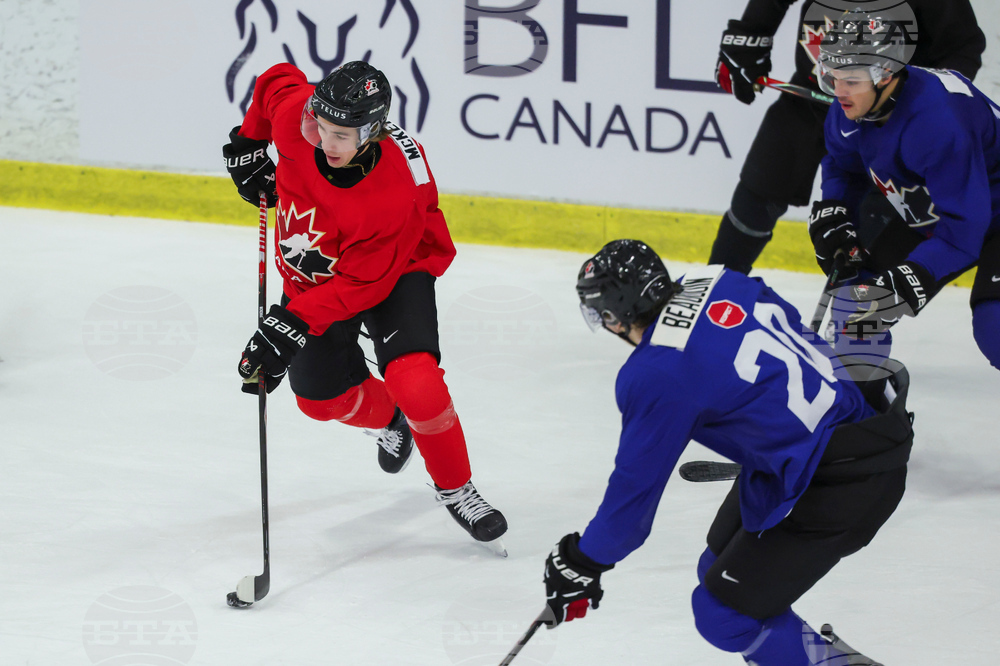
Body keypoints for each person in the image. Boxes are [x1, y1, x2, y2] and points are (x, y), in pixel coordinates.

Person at [541, 240, 914, 665]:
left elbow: (631, 503)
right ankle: (813, 656)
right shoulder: (718, 279)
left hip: (843, 478)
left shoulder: (655, 374)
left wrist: (583, 560)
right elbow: (790, 338)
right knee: (716, 569)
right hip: (854, 424)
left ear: (612, 316)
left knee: (722, 616)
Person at [223, 60, 508, 553]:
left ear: (372, 132)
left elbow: (364, 282)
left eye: (340, 135)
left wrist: (289, 323)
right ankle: (394, 420)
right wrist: (249, 143)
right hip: (318, 271)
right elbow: (276, 81)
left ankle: (455, 486)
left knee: (414, 379)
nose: (324, 143)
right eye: (320, 126)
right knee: (318, 399)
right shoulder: (301, 121)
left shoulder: (396, 192)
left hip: (394, 268)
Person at [710, 0, 984, 275]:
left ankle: (851, 313)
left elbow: (962, 48)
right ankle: (713, 292)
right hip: (810, 100)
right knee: (757, 195)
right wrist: (749, 35)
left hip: (887, 120)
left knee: (866, 239)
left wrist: (921, 105)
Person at [808, 10, 1000, 372]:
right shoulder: (851, 104)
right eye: (832, 76)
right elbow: (842, 165)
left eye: (850, 80)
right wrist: (835, 208)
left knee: (996, 328)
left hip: (986, 213)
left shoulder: (938, 123)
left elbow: (962, 233)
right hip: (941, 209)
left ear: (886, 75)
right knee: (857, 316)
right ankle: (864, 424)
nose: (839, 91)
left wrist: (914, 277)